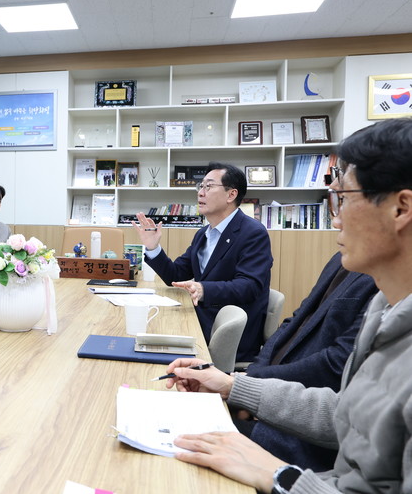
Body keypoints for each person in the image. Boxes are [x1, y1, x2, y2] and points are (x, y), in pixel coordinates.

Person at [163, 118, 412, 493]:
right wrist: (236, 386)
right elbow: (346, 413)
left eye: (342, 198)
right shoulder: (385, 305)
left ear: (400, 208)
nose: (335, 218)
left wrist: (279, 475)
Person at [240, 252, 376, 471]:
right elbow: (295, 319)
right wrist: (251, 378)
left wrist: (251, 385)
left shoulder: (384, 284)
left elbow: (335, 365)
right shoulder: (341, 258)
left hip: (300, 435)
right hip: (269, 397)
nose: (338, 231)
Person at [134, 162, 272, 362]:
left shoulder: (253, 233)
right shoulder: (203, 234)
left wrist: (203, 289)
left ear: (231, 194)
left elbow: (249, 286)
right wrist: (153, 247)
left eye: (209, 186)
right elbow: (176, 275)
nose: (200, 192)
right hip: (201, 318)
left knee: (150, 342)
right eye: (200, 186)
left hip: (227, 335)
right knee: (143, 334)